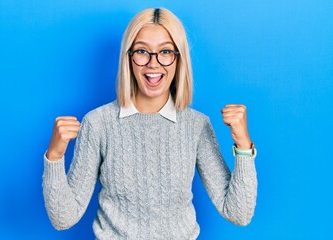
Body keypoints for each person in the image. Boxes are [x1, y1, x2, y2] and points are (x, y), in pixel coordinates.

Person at [43, 8, 257, 240]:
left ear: (178, 59)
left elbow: (239, 213)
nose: (153, 64)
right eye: (142, 51)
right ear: (129, 58)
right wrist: (55, 155)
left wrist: (243, 146)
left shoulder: (196, 125)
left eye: (165, 51)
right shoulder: (98, 123)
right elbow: (63, 218)